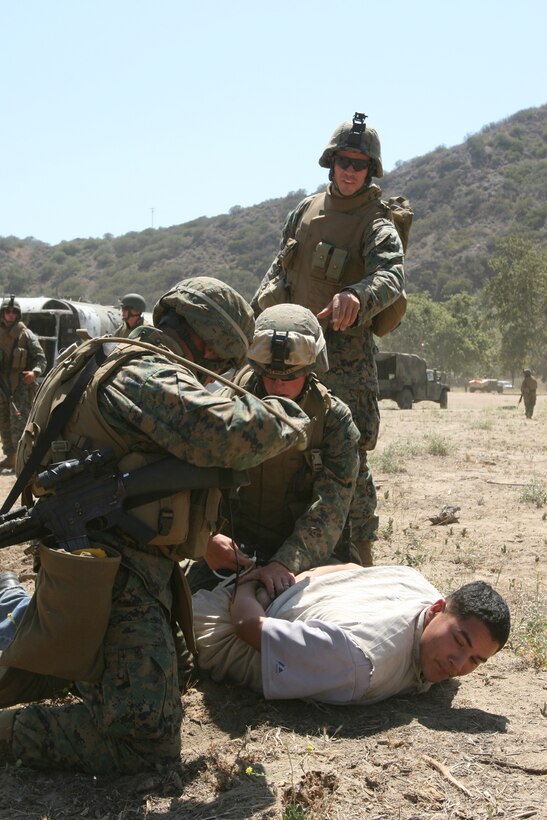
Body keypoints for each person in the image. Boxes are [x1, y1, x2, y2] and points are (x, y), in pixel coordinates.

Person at [0, 276, 311, 774]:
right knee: (144, 741)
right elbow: (236, 435)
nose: (217, 376)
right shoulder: (143, 375)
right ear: (208, 343)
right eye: (222, 365)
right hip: (111, 575)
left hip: (106, 562)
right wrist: (289, 412)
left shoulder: (108, 356)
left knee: (176, 671)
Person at [252, 113, 407, 567]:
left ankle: (360, 555)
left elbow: (392, 275)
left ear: (370, 170)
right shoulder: (304, 210)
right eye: (344, 160)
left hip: (345, 358)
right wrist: (255, 317)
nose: (351, 170)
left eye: (360, 164)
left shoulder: (376, 222)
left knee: (347, 453)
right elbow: (281, 268)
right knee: (277, 439)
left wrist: (358, 296)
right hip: (291, 352)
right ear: (331, 161)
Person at [186, 304, 360, 600]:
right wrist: (204, 540)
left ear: (310, 371)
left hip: (306, 558)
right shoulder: (225, 407)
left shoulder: (333, 420)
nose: (277, 386)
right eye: (269, 375)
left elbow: (331, 506)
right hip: (230, 556)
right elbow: (189, 480)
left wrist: (284, 562)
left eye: (289, 377)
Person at [193, 564, 510, 706]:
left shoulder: (414, 582)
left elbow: (351, 565)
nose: (457, 665)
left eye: (475, 661)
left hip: (268, 592)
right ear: (438, 608)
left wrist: (283, 581)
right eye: (459, 641)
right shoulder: (359, 662)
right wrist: (250, 580)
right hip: (210, 627)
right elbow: (248, 628)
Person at [0, 296, 47, 470]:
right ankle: (11, 457)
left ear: (18, 314)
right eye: (7, 311)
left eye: (13, 312)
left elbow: (41, 359)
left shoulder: (26, 335)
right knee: (4, 423)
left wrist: (34, 373)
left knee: (20, 425)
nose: (10, 314)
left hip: (20, 386)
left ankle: (24, 459)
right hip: (2, 386)